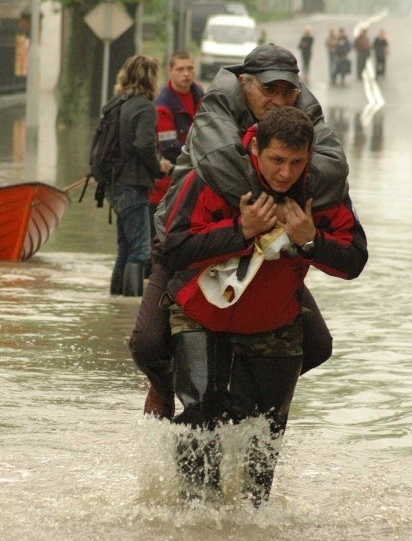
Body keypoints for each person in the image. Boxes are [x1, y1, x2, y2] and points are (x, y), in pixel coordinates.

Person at [129, 43, 349, 420]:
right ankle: (167, 385)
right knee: (147, 343)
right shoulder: (217, 107)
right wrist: (278, 200)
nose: (279, 101)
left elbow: (335, 169)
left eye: (287, 91)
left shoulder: (303, 111)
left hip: (266, 244)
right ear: (245, 84)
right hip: (186, 234)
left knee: (318, 345)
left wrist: (299, 223)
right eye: (269, 90)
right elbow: (222, 167)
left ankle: (237, 394)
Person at [162, 106, 368, 503]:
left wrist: (311, 241)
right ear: (254, 147)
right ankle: (193, 521)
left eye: (296, 162)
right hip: (200, 312)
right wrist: (241, 230)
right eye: (276, 160)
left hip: (274, 322)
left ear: (309, 156)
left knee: (263, 432)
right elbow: (173, 247)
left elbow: (355, 259)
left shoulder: (323, 190)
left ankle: (248, 521)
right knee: (199, 416)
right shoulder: (215, 175)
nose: (285, 173)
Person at [105, 55, 171, 297]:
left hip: (114, 185)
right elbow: (143, 144)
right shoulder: (144, 106)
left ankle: (116, 303)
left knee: (124, 249)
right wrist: (158, 167)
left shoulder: (116, 103)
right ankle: (132, 309)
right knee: (140, 252)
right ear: (151, 78)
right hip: (133, 185)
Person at [147, 50, 204, 243]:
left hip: (191, 183)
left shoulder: (200, 95)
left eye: (189, 68)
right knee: (156, 245)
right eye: (180, 69)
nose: (186, 73)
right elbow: (169, 147)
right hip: (163, 189)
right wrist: (203, 151)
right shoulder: (163, 105)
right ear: (170, 71)